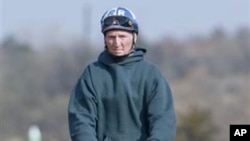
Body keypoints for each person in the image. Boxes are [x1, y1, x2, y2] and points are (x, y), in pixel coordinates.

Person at [68, 6, 177, 141]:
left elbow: (163, 121)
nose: (117, 43)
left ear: (134, 37)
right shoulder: (91, 74)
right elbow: (81, 120)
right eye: (111, 37)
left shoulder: (151, 75)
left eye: (122, 36)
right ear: (104, 39)